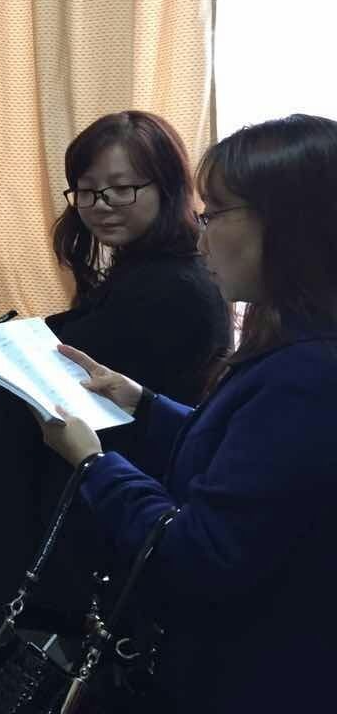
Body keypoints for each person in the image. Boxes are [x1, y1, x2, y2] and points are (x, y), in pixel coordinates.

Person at [41, 113, 337, 712]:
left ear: (287, 224)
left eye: (216, 214)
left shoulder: (309, 373)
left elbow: (196, 555)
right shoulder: (293, 341)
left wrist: (95, 466)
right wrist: (146, 405)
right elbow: (247, 457)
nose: (201, 240)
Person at [45, 111, 230, 406]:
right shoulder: (147, 265)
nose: (100, 204)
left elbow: (72, 360)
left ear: (167, 188)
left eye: (121, 189)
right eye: (86, 190)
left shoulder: (170, 285)